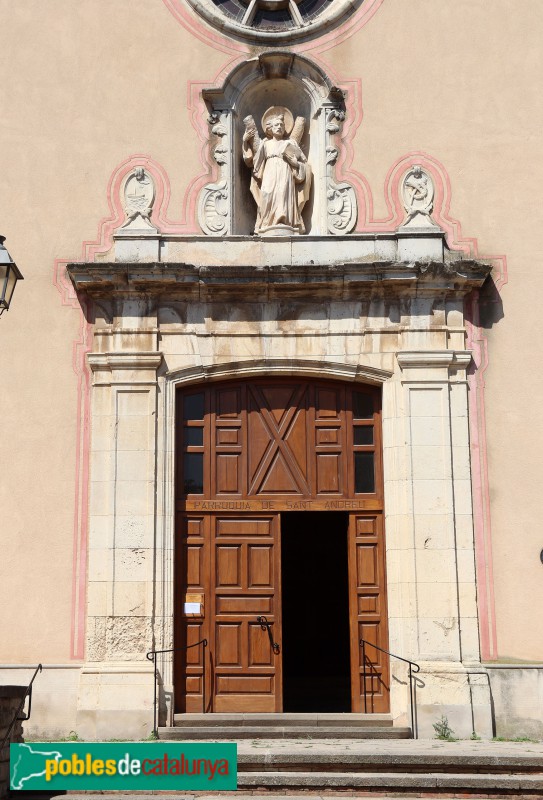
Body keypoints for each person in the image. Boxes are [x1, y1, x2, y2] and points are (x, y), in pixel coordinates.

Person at [243, 108, 311, 235]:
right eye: (276, 125)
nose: (279, 127)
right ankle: (267, 223)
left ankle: (284, 221)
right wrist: (245, 141)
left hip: (285, 171)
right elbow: (252, 161)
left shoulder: (290, 143)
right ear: (270, 129)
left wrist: (295, 164)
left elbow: (304, 162)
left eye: (281, 125)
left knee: (283, 194)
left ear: (285, 128)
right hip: (269, 172)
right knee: (267, 194)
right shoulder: (265, 143)